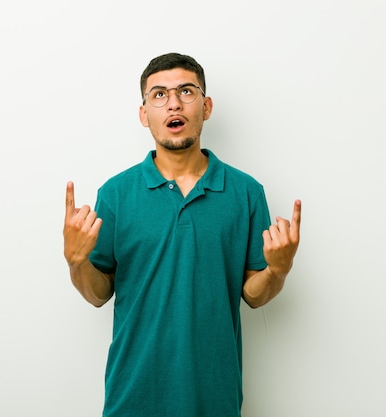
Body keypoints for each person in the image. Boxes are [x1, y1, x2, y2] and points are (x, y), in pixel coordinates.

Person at [63, 52, 301, 417]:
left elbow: (253, 295)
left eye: (186, 92)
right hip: (132, 398)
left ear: (205, 107)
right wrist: (77, 262)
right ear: (144, 114)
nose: (174, 103)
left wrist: (278, 271)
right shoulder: (116, 193)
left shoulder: (246, 193)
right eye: (159, 94)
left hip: (214, 399)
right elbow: (99, 294)